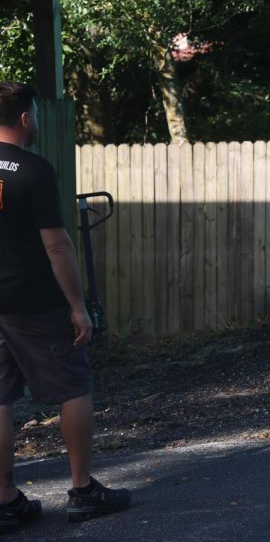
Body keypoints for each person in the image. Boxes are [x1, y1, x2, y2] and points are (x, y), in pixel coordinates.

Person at [0, 82, 132, 528]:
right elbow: (56, 245)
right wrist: (77, 306)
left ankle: (6, 501)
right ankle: (81, 491)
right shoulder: (33, 169)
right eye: (34, 112)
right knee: (74, 386)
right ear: (24, 118)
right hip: (33, 301)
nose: (35, 119)